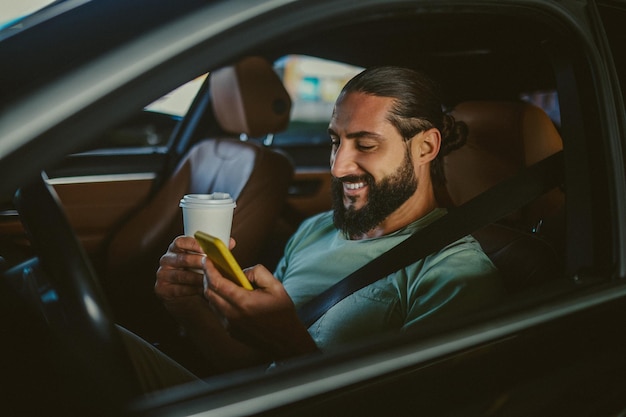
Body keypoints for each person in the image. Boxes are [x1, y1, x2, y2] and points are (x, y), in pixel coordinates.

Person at [154, 66, 504, 377]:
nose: (338, 167)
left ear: (426, 147)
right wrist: (188, 308)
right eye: (336, 141)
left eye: (365, 145)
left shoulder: (454, 272)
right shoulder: (316, 229)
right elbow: (251, 365)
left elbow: (409, 404)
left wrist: (290, 342)